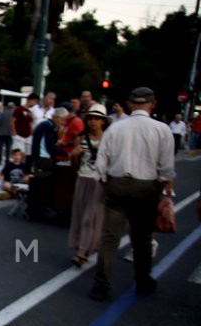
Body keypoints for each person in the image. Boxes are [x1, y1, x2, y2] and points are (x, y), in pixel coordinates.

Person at [90, 87, 176, 301]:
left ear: (129, 104)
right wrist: (165, 190)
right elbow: (166, 167)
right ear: (152, 104)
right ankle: (143, 280)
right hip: (146, 187)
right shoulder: (162, 129)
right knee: (142, 238)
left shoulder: (115, 128)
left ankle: (102, 285)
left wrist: (105, 183)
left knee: (110, 238)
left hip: (117, 184)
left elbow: (101, 161)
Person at [67, 104, 109, 268]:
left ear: (103, 121)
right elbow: (75, 164)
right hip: (82, 178)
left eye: (97, 118)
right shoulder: (82, 139)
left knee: (90, 218)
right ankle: (82, 246)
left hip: (98, 181)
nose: (93, 122)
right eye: (90, 118)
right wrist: (74, 155)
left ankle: (82, 251)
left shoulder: (108, 139)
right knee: (79, 214)